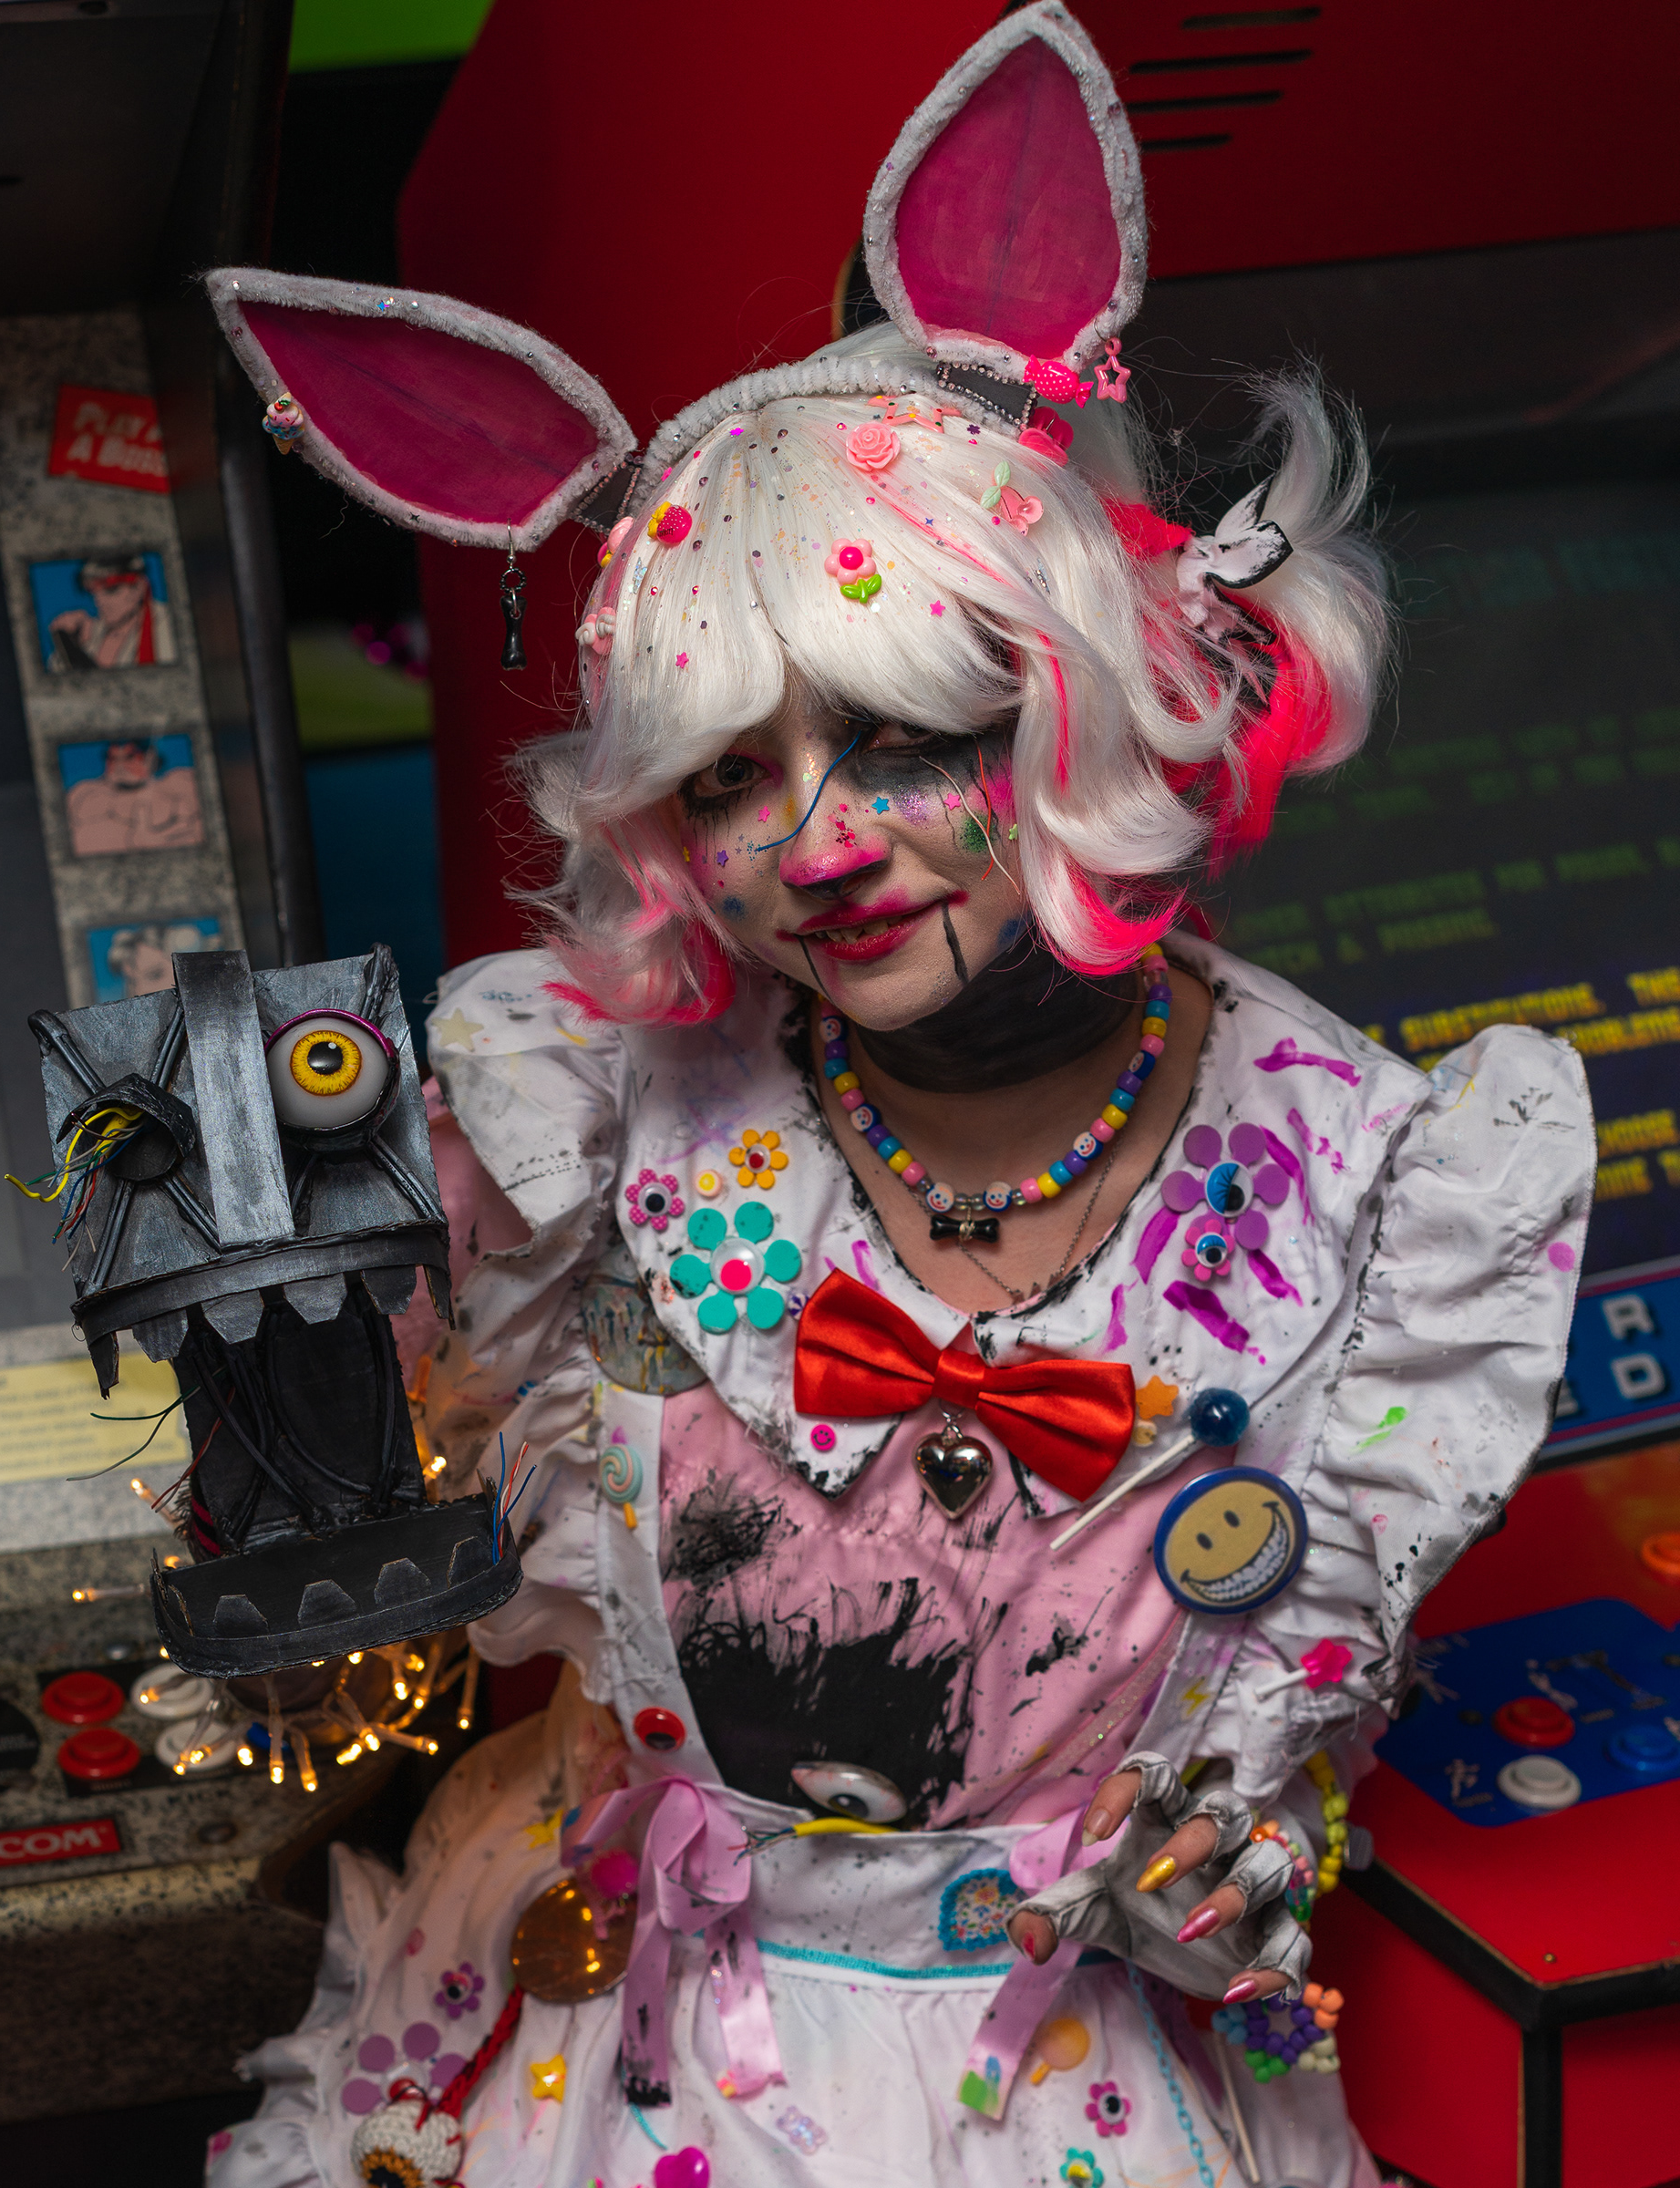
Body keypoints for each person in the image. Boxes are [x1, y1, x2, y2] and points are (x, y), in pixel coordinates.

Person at [203, 12, 1590, 2185]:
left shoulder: (1384, 1186)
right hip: (613, 2040)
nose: (817, 844)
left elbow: (1282, 1748)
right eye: (727, 777)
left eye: (898, 732)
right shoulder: (581, 1119)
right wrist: (283, 1489)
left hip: (1064, 2086)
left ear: (1076, 699)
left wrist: (1237, 1854)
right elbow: (371, 1581)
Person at [66, 738, 203, 855]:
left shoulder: (181, 783)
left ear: (149, 757)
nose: (119, 765)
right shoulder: (84, 794)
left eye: (129, 757)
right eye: (112, 758)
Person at [46, 554, 173, 670]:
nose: (99, 601)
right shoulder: (91, 634)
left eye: (111, 589)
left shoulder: (169, 627)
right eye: (93, 592)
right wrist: (69, 644)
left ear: (139, 588)